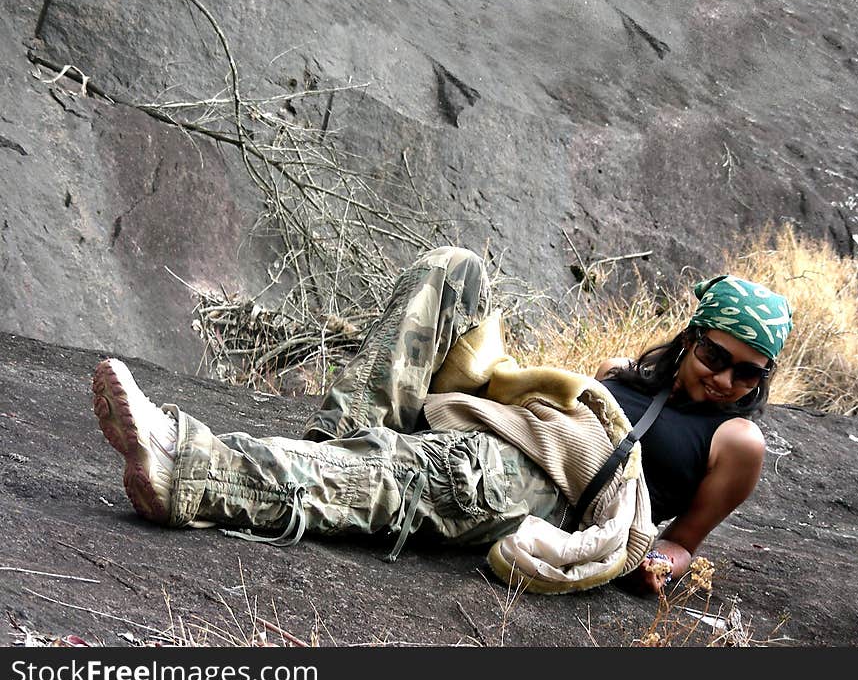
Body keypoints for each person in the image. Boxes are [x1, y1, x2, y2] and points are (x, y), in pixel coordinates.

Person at [91, 247, 792, 596]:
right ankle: (334, 459)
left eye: (747, 373)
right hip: (486, 423)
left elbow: (682, 545)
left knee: (407, 473)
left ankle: (183, 466)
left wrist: (655, 567)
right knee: (456, 268)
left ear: (762, 381)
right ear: (692, 335)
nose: (724, 378)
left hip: (529, 483)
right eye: (714, 354)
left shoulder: (738, 441)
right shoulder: (626, 373)